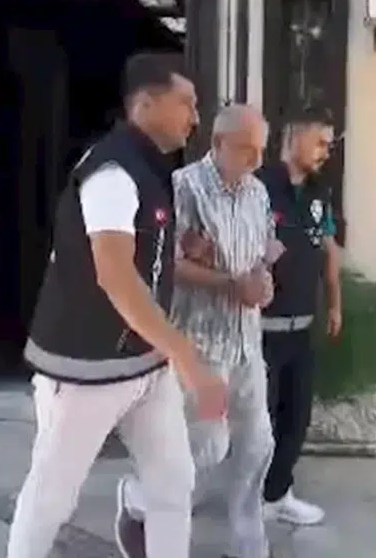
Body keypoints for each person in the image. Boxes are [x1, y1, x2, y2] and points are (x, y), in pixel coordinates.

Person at [5, 51, 228, 558]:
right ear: (145, 104)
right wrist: (186, 357)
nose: (196, 117)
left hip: (145, 362)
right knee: (52, 498)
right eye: (187, 103)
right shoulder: (112, 171)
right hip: (85, 367)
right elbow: (115, 274)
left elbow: (141, 242)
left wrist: (181, 247)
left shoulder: (152, 168)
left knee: (174, 482)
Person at [117, 104, 277, 558]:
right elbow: (164, 262)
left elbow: (262, 249)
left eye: (261, 150)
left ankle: (249, 545)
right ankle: (138, 498)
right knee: (208, 446)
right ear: (218, 143)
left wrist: (264, 279)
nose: (256, 160)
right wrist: (230, 283)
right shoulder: (182, 187)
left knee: (256, 445)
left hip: (247, 343)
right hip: (201, 345)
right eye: (246, 149)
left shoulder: (258, 192)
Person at [255, 106, 342, 526]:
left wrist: (335, 302)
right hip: (260, 331)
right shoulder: (257, 186)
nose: (326, 151)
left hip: (302, 328)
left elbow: (328, 247)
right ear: (294, 136)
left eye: (329, 144)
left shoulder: (320, 192)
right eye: (320, 141)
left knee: (296, 419)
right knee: (258, 424)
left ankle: (277, 495)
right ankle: (246, 499)